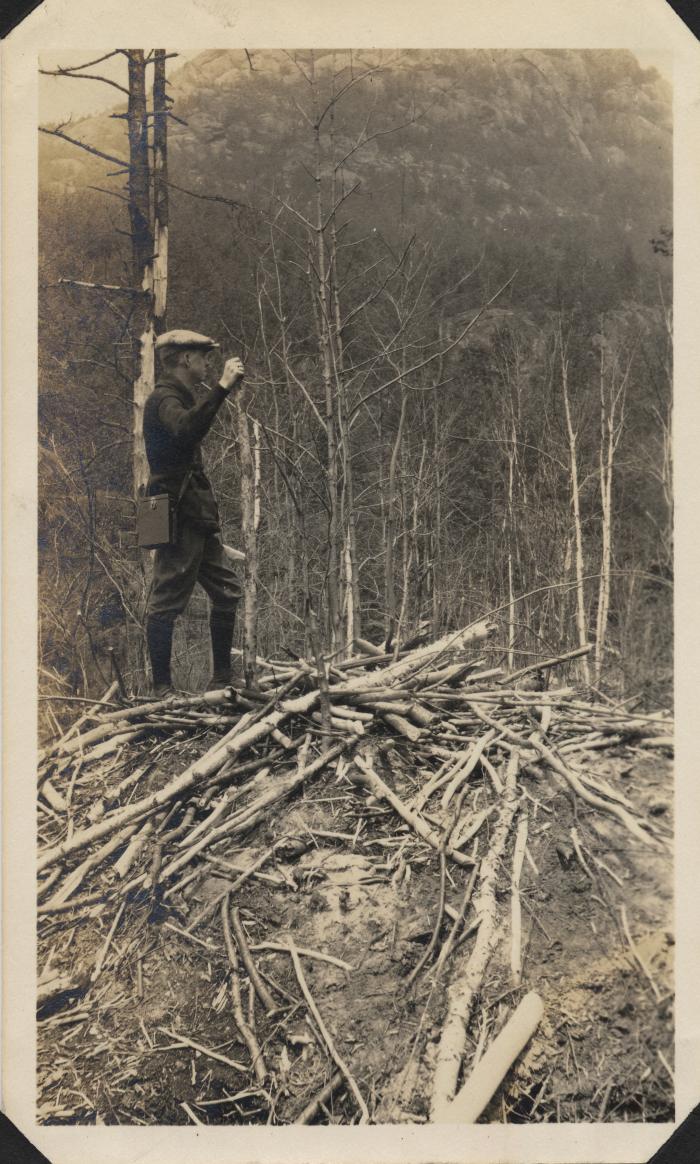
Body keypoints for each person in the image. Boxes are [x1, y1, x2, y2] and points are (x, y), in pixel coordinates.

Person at [142, 329, 245, 697]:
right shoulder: (163, 399)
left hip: (193, 515)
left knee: (228, 592)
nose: (207, 363)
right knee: (167, 599)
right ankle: (161, 688)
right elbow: (187, 431)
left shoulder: (178, 398)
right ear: (185, 359)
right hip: (176, 514)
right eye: (203, 357)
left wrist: (213, 529)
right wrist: (222, 388)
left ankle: (221, 680)